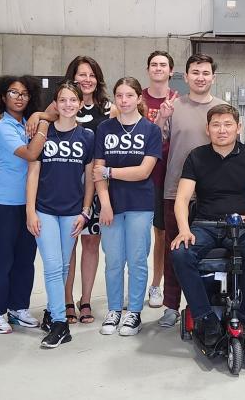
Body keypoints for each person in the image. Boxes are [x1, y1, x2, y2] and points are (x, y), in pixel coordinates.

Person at [170, 104, 245, 350]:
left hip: (239, 226)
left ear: (238, 127)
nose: (222, 130)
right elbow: (182, 199)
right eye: (216, 125)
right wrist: (184, 230)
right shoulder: (196, 156)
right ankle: (205, 319)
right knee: (180, 253)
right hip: (204, 225)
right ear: (207, 129)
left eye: (228, 124)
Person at [30, 56, 111, 324]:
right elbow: (42, 121)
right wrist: (37, 114)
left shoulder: (108, 108)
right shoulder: (60, 105)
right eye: (81, 75)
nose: (86, 79)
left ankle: (85, 300)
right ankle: (64, 301)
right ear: (72, 79)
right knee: (66, 250)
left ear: (97, 79)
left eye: (91, 74)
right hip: (60, 192)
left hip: (93, 188)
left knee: (90, 243)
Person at [153, 53, 227, 328]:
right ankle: (171, 306)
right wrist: (162, 117)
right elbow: (155, 140)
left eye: (205, 72)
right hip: (175, 191)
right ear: (185, 77)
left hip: (212, 196)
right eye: (195, 72)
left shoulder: (223, 109)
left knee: (209, 254)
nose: (200, 77)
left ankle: (205, 306)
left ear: (213, 77)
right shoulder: (174, 106)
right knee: (175, 252)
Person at [26, 82, 96, 348]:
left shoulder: (87, 137)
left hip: (72, 211)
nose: (68, 105)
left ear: (79, 104)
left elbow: (89, 178)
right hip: (44, 209)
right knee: (53, 266)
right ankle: (59, 322)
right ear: (55, 103)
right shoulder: (44, 133)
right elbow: (33, 173)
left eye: (72, 100)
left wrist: (85, 211)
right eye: (62, 100)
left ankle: (51, 311)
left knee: (64, 266)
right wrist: (30, 211)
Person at [94, 77, 163, 336]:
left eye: (129, 95)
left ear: (138, 98)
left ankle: (133, 311)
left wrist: (109, 172)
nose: (124, 100)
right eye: (119, 96)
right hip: (111, 205)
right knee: (113, 260)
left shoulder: (151, 130)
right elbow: (96, 171)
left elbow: (144, 172)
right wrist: (105, 203)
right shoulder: (105, 128)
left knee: (136, 260)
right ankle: (114, 310)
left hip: (140, 204)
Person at [0, 75, 47, 334]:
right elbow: (31, 153)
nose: (19, 97)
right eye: (13, 92)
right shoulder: (4, 127)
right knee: (1, 258)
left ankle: (18, 307)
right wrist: (43, 126)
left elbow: (53, 111)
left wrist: (39, 116)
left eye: (24, 93)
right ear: (3, 96)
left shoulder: (27, 123)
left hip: (28, 203)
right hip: (5, 202)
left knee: (25, 258)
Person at [142, 51, 179, 308]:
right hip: (138, 173)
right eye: (154, 64)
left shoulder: (179, 100)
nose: (158, 68)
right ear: (148, 69)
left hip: (166, 173)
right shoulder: (135, 97)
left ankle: (157, 285)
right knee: (134, 234)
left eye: (162, 65)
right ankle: (133, 284)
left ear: (171, 71)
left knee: (161, 233)